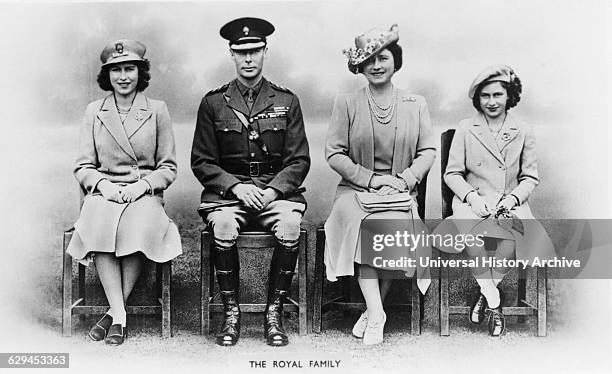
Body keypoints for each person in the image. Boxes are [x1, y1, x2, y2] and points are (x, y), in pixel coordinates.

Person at [191, 17, 310, 347]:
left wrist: (272, 190)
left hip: (276, 192)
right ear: (231, 54)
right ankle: (232, 314)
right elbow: (201, 161)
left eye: (254, 51)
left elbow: (299, 160)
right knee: (224, 226)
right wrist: (236, 187)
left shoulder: (287, 101)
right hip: (229, 194)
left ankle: (274, 314)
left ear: (264, 52)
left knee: (289, 226)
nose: (248, 58)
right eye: (240, 52)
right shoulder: (213, 103)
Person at [324, 24, 435, 345]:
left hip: (400, 192)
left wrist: (404, 180)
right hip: (355, 192)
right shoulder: (346, 102)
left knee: (393, 229)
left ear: (395, 61)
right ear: (360, 66)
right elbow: (334, 153)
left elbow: (427, 150)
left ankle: (374, 310)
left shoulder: (416, 103)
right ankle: (377, 313)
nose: (376, 65)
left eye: (382, 57)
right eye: (369, 60)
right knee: (366, 228)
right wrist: (371, 179)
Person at [66, 39, 182, 346]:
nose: (123, 76)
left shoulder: (157, 110)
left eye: (130, 68)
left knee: (139, 223)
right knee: (99, 219)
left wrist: (143, 186)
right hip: (103, 193)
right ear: (107, 75)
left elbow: (168, 166)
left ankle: (113, 315)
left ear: (140, 72)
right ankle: (119, 315)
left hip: (142, 193)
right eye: (116, 70)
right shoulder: (95, 111)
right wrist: (102, 185)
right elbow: (82, 165)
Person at [440, 65, 555, 336]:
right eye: (485, 96)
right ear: (477, 99)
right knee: (474, 238)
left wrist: (513, 198)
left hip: (509, 202)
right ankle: (493, 299)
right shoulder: (466, 128)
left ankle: (485, 295)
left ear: (509, 96)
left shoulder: (524, 130)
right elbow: (452, 173)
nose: (491, 102)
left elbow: (530, 177)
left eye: (497, 95)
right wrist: (470, 197)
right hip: (473, 201)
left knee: (509, 239)